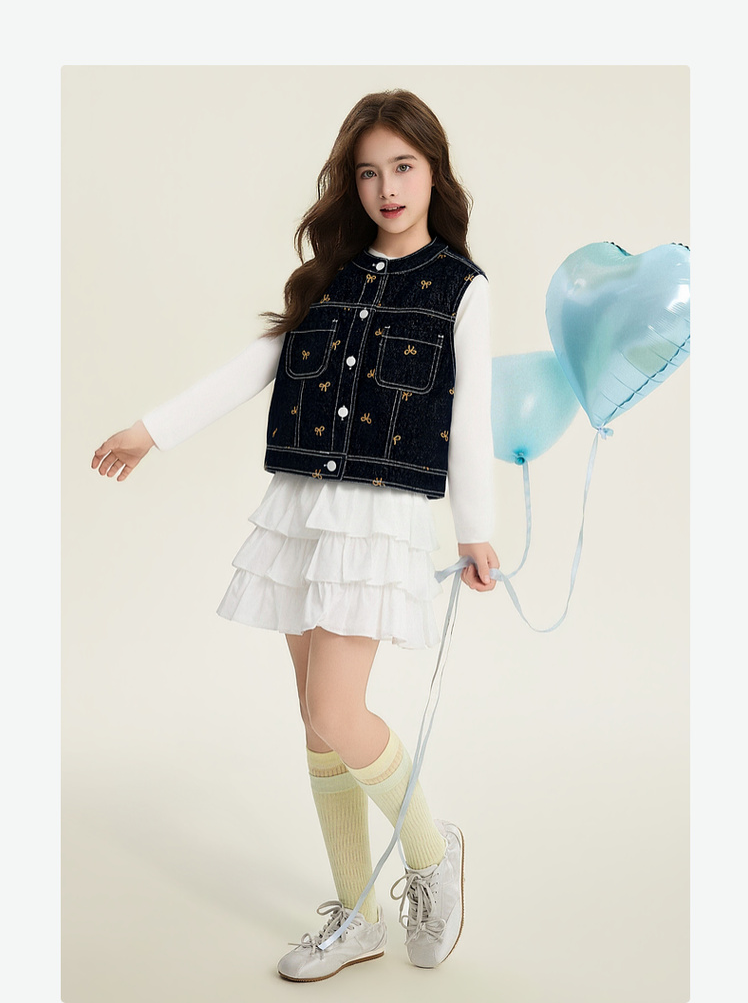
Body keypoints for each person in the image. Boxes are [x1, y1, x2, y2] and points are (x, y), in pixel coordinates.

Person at [91, 89, 498, 982]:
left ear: (434, 172)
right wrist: (151, 430)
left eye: (403, 167)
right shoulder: (330, 276)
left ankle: (431, 853)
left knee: (336, 712)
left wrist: (477, 531)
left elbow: (471, 415)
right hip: (302, 508)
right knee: (317, 725)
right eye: (369, 172)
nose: (388, 188)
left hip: (377, 515)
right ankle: (356, 915)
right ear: (351, 183)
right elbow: (256, 366)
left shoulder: (460, 290)